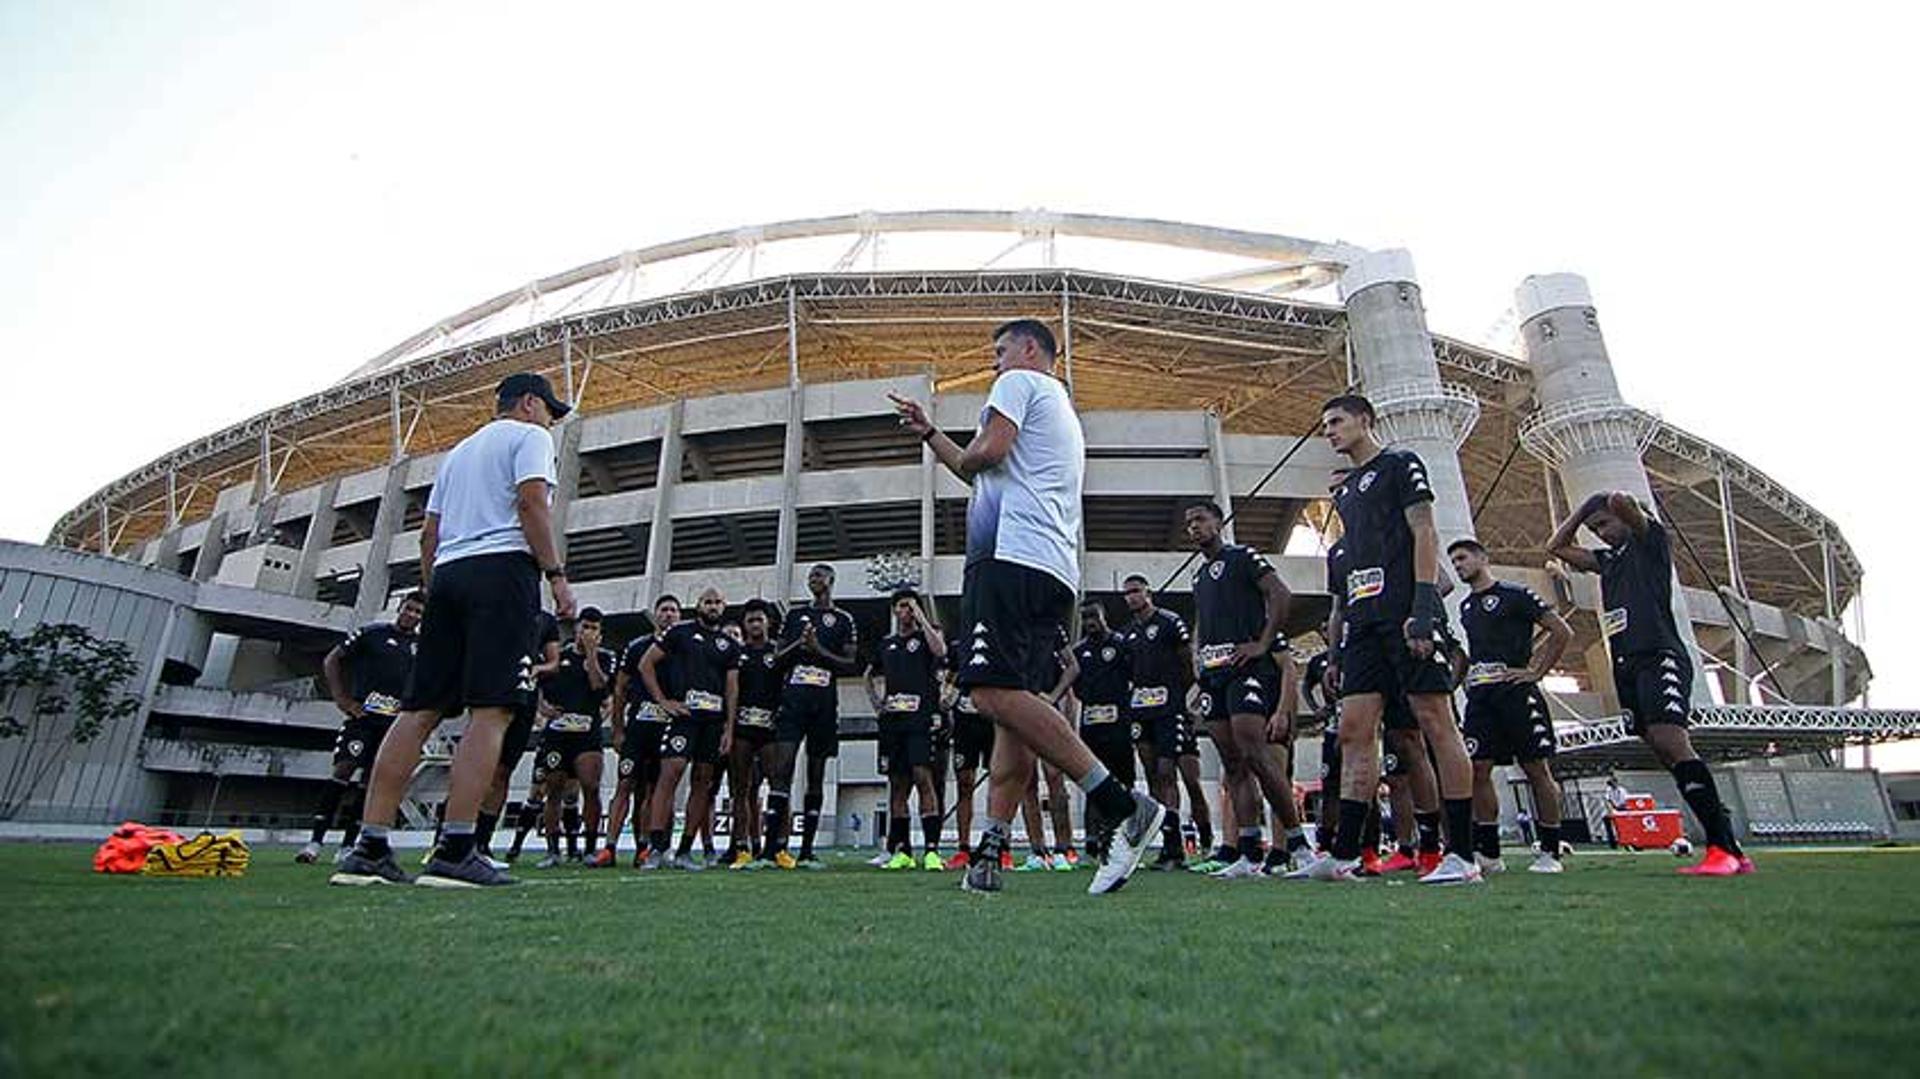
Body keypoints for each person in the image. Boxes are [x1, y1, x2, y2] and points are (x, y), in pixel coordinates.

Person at [890, 318, 1164, 896]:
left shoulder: (1019, 383)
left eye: (999, 350)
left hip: (1008, 558)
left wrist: (966, 450)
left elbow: (985, 454)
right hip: (1050, 567)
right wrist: (931, 433)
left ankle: (1121, 804)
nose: (994, 361)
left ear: (1030, 349)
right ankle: (990, 849)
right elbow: (985, 474)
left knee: (987, 693)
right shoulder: (1060, 409)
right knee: (1017, 709)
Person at [331, 371, 575, 887]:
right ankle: (458, 846)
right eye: (551, 411)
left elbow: (429, 533)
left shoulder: (459, 453)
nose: (552, 422)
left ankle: (369, 846)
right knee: (493, 710)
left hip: (448, 575)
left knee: (419, 709)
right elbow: (533, 504)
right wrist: (556, 577)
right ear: (530, 404)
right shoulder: (530, 437)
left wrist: (434, 588)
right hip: (503, 571)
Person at [1308, 394, 1479, 885]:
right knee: (1354, 732)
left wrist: (1423, 609)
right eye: (1325, 424)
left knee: (1434, 721)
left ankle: (1462, 855)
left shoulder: (1400, 463)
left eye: (1336, 421)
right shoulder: (1347, 494)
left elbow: (1424, 532)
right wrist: (1338, 652)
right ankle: (1344, 857)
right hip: (1363, 626)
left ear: (1365, 420)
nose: (1330, 431)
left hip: (1405, 615)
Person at [1547, 491, 1751, 876]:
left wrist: (1600, 500)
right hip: (1626, 664)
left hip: (1660, 655)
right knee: (1662, 747)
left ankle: (1723, 848)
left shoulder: (1648, 541)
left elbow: (1623, 502)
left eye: (1605, 525)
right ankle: (1728, 846)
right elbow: (1556, 546)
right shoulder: (1608, 562)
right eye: (1596, 529)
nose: (1601, 534)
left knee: (1673, 739)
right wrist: (1582, 514)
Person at [1182, 499, 1302, 879]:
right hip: (1214, 676)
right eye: (1189, 524)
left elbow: (1280, 594)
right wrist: (1198, 663)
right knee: (1232, 763)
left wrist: (1263, 643)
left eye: (1200, 520)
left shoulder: (1242, 556)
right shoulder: (1199, 577)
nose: (1193, 528)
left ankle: (1297, 843)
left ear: (1218, 522)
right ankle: (1248, 852)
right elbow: (1203, 623)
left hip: (1246, 670)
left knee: (1255, 752)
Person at [1448, 538, 1574, 875]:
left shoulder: (1515, 595)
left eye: (1462, 558)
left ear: (1482, 558)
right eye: (1454, 561)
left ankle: (1550, 851)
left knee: (1535, 769)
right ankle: (1489, 853)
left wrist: (1536, 672)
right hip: (1480, 696)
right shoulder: (1466, 607)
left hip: (1516, 693)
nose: (1458, 565)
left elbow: (1561, 631)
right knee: (1478, 769)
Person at [297, 592, 425, 864]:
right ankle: (315, 842)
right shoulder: (372, 634)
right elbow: (332, 660)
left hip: (392, 726)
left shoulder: (420, 647)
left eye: (418, 613)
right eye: (409, 609)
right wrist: (343, 699)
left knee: (371, 781)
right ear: (400, 607)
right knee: (344, 769)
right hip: (362, 720)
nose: (412, 615)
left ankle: (348, 844)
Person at [638, 587, 739, 870]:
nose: (713, 606)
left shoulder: (728, 644)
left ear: (724, 606)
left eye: (717, 602)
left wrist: (729, 728)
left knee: (703, 783)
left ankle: (685, 850)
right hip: (684, 717)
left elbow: (732, 688)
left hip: (713, 722)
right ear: (698, 605)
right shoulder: (680, 633)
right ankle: (657, 848)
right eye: (708, 602)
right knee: (670, 774)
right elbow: (646, 664)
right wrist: (662, 700)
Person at [766, 565, 859, 869]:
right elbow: (777, 659)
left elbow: (849, 663)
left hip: (824, 704)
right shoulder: (794, 616)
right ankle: (772, 849)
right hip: (793, 701)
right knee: (783, 767)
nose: (814, 581)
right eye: (810, 577)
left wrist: (818, 649)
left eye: (819, 576)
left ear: (831, 580)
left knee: (816, 774)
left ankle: (807, 850)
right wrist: (800, 644)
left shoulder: (843, 619)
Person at [1117, 574, 1204, 871]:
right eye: (1126, 593)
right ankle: (1168, 845)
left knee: (1169, 772)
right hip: (1141, 711)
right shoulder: (1128, 634)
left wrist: (1179, 698)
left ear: (1148, 592)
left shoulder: (1169, 622)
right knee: (1152, 773)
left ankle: (1181, 846)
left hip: (1169, 710)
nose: (1131, 597)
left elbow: (1186, 664)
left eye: (1136, 591)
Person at [864, 589, 949, 870]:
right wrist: (877, 702)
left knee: (923, 778)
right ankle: (903, 851)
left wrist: (922, 616)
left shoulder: (924, 640)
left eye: (911, 606)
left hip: (919, 720)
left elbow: (941, 651)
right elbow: (869, 674)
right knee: (897, 785)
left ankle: (932, 851)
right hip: (893, 723)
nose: (907, 611)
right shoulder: (887, 644)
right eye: (903, 606)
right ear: (894, 610)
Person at [598, 595, 680, 867]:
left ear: (679, 616)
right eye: (664, 610)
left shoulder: (684, 647)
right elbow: (620, 689)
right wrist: (618, 729)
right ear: (656, 615)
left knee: (654, 790)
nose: (668, 614)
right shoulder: (637, 647)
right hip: (638, 729)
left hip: (667, 730)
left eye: (673, 610)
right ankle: (608, 847)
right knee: (625, 785)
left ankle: (644, 847)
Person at [529, 608, 615, 868]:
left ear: (599, 634)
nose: (587, 632)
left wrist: (590, 654)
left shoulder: (604, 658)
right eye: (584, 626)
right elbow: (538, 684)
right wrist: (541, 708)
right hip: (557, 734)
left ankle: (589, 847)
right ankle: (553, 849)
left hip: (587, 733)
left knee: (590, 787)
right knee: (553, 790)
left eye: (593, 628)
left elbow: (600, 687)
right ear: (576, 627)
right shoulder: (559, 658)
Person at [1064, 600, 1137, 862]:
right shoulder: (1079, 651)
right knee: (1092, 781)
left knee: (1123, 781)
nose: (1089, 622)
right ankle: (1092, 841)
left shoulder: (1120, 644)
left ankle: (1126, 837)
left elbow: (1134, 676)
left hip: (1118, 723)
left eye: (1093, 616)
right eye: (1084, 618)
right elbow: (1075, 688)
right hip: (1091, 724)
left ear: (1103, 615)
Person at [499, 609, 561, 863]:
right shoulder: (496, 612)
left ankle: (480, 843)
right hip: (493, 699)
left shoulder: (546, 622)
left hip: (526, 708)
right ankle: (453, 839)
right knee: (534, 791)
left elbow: (552, 664)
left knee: (502, 772)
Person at [728, 599, 784, 869]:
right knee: (741, 788)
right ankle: (742, 848)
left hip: (771, 729)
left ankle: (780, 846)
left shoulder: (779, 652)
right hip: (742, 730)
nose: (755, 624)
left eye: (759, 619)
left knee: (778, 785)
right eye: (750, 620)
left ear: (768, 622)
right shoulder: (736, 654)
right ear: (744, 625)